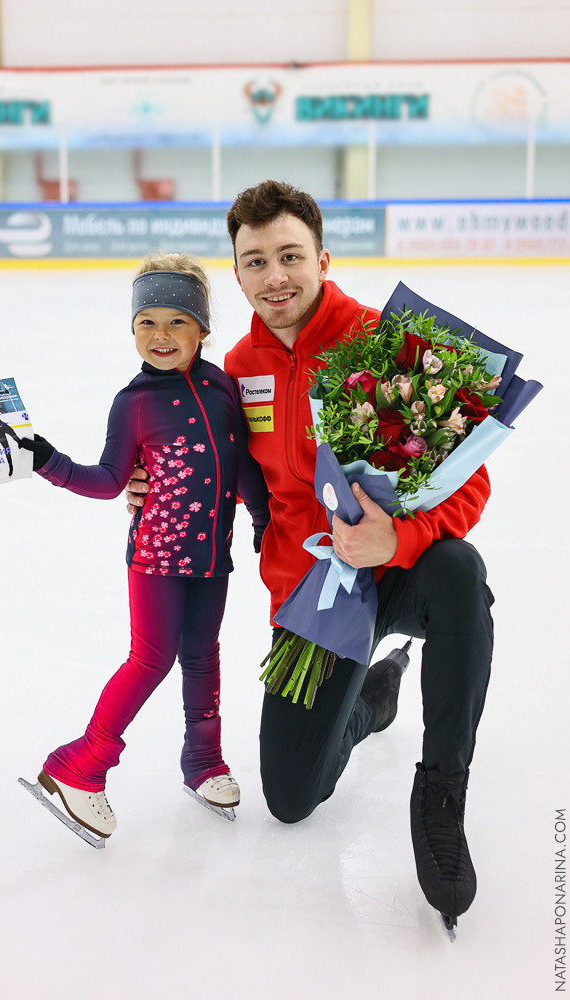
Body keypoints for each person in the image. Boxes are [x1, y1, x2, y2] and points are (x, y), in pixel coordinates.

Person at [126, 182, 494, 931]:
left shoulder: (384, 341)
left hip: (396, 574)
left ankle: (442, 794)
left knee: (460, 572)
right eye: (254, 261)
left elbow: (471, 479)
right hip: (313, 597)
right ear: (236, 274)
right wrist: (154, 483)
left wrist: (400, 539)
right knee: (293, 798)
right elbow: (222, 479)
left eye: (289, 256)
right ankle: (369, 702)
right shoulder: (233, 369)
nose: (275, 277)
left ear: (321, 258)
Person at [21, 251, 270, 840]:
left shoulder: (221, 387)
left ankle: (202, 761)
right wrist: (49, 462)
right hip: (156, 558)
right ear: (132, 330)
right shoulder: (133, 403)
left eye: (177, 321)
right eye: (146, 322)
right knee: (150, 659)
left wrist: (261, 516)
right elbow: (110, 481)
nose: (161, 335)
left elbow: (242, 464)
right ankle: (81, 764)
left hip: (213, 558)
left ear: (203, 328)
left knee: (203, 657)